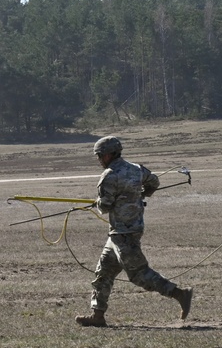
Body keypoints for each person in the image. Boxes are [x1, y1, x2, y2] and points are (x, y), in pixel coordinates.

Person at [75, 136, 193, 327]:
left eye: (100, 156)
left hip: (123, 234)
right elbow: (154, 181)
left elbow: (104, 206)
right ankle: (97, 315)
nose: (99, 160)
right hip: (122, 232)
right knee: (103, 273)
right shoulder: (136, 169)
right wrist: (142, 194)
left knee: (138, 274)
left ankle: (179, 293)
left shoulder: (110, 175)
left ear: (110, 154)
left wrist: (97, 203)